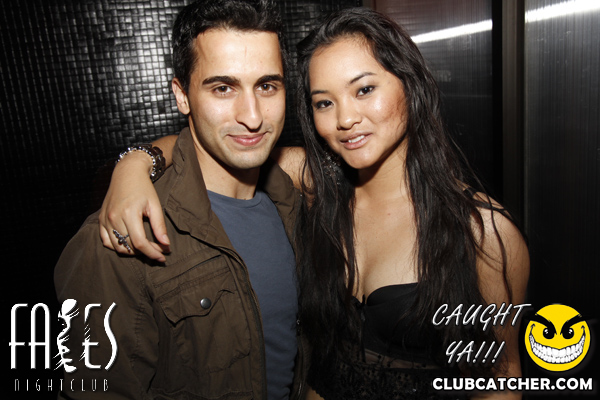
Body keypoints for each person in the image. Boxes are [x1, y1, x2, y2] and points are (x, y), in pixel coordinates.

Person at [99, 7, 529, 400]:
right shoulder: (314, 183)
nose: (345, 118)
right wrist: (135, 164)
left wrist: (133, 164)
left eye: (364, 89)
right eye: (324, 102)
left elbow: (501, 380)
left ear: (410, 83)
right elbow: (210, 143)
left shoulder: (482, 232)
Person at [54, 1, 305, 399]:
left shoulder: (294, 204)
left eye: (266, 86)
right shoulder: (122, 237)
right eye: (223, 88)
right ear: (182, 95)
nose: (253, 116)